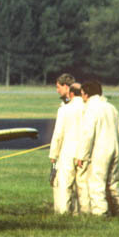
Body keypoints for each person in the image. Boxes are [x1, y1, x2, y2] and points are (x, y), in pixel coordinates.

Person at [76, 80, 119, 216]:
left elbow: (87, 135)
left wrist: (82, 156)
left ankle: (100, 212)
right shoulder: (111, 107)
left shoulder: (91, 109)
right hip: (114, 148)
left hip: (100, 150)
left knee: (96, 182)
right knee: (112, 183)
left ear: (85, 94)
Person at [47, 73, 86, 215]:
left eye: (58, 87)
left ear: (67, 87)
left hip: (67, 151)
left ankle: (63, 213)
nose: (57, 90)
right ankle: (78, 213)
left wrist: (53, 154)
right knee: (80, 186)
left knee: (63, 185)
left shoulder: (64, 109)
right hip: (84, 151)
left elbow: (58, 134)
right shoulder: (87, 107)